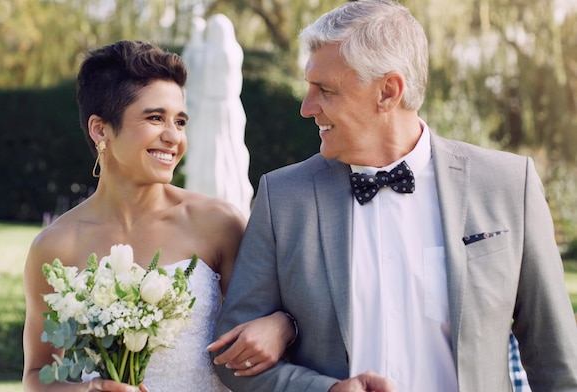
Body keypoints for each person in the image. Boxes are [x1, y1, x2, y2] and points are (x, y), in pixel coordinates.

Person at [210, 1, 577, 391]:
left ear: (388, 91)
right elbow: (230, 358)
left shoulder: (507, 185)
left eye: (325, 90)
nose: (307, 107)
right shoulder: (282, 198)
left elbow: (558, 368)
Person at [22, 40, 296, 392]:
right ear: (100, 129)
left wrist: (282, 324)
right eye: (155, 118)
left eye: (179, 121)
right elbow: (38, 375)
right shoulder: (56, 246)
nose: (173, 137)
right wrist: (87, 390)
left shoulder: (218, 225)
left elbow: (269, 333)